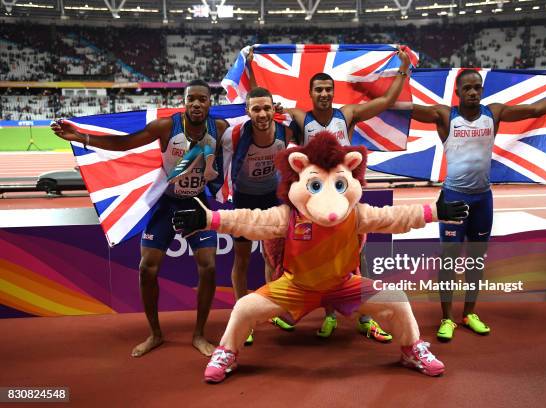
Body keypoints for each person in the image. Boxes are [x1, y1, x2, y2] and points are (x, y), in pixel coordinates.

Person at [172, 132, 470, 383]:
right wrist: (209, 218)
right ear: (298, 176)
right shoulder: (287, 216)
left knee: (397, 300)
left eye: (339, 184)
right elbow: (249, 220)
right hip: (296, 286)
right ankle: (228, 353)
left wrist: (433, 212)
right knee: (244, 308)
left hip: (343, 284)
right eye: (315, 185)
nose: (330, 202)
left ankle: (411, 349)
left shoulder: (356, 214)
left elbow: (394, 217)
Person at [408, 69, 546, 341]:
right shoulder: (445, 116)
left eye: (477, 88)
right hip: (453, 199)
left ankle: (469, 313)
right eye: (467, 88)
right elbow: (403, 108)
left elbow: (535, 109)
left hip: (483, 199)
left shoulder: (493, 113)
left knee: (476, 261)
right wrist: (383, 85)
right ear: (457, 92)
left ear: (482, 90)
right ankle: (447, 318)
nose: (473, 92)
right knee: (448, 261)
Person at [51, 80, 229, 357]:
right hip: (167, 203)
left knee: (208, 267)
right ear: (184, 102)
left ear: (210, 103)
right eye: (190, 99)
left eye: (202, 99)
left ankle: (199, 334)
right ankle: (155, 334)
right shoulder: (166, 127)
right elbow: (125, 143)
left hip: (197, 204)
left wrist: (276, 112)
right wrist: (81, 138)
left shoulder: (220, 129)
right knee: (147, 268)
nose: (196, 104)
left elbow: (254, 128)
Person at [246, 46, 412, 341]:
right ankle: (330, 316)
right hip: (313, 204)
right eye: (318, 90)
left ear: (333, 92)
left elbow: (386, 100)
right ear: (310, 93)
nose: (323, 94)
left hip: (345, 199)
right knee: (319, 257)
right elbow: (264, 102)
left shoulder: (346, 115)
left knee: (355, 255)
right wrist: (249, 68)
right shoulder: (300, 117)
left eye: (327, 89)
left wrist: (403, 65)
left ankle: (365, 318)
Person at [220, 87, 295, 345]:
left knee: (272, 257)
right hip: (244, 199)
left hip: (272, 197)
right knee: (241, 259)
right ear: (247, 111)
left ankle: (271, 310)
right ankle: (244, 317)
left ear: (275, 108)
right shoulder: (235, 134)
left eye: (267, 108)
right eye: (256, 109)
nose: (262, 114)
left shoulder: (286, 131)